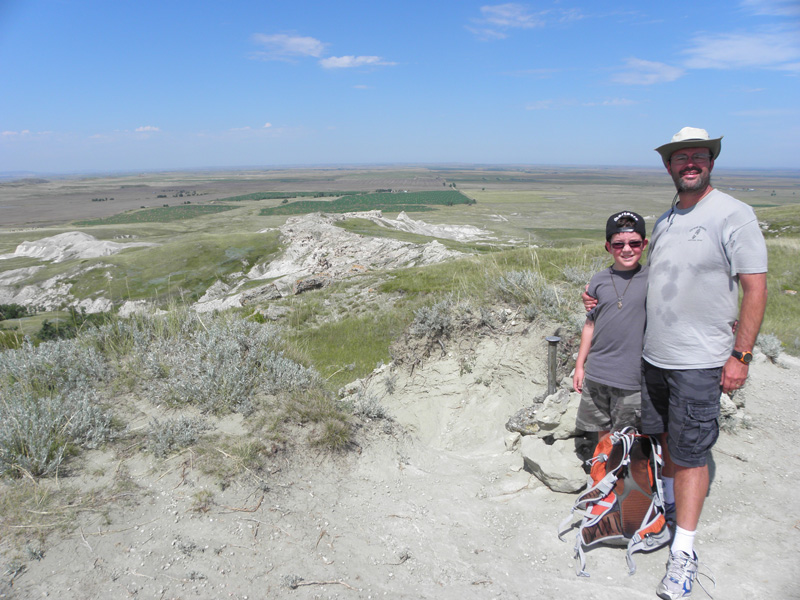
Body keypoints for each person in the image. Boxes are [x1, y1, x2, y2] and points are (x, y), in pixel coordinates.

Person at [585, 127, 768, 598]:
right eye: (680, 157)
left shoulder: (734, 214)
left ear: (711, 162)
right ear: (668, 165)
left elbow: (755, 287)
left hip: (699, 361)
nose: (690, 163)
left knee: (689, 454)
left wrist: (740, 355)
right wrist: (599, 297)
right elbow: (650, 279)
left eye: (699, 156)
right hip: (655, 359)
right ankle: (665, 516)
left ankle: (683, 553)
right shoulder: (665, 221)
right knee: (665, 441)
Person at [573, 211, 648, 441]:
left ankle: (621, 477)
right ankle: (603, 475)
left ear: (644, 244)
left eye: (634, 243)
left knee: (628, 441)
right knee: (602, 435)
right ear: (608, 247)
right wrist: (580, 365)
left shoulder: (654, 278)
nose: (627, 249)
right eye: (618, 244)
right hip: (597, 373)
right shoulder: (598, 280)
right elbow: (590, 324)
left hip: (632, 378)